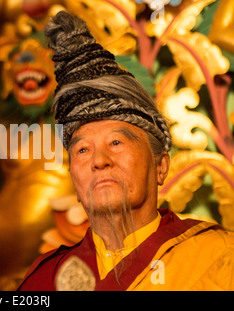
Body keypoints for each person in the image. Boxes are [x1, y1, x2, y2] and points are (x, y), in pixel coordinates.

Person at [17, 11, 234, 291]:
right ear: (73, 177)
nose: (99, 161)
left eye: (116, 143)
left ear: (161, 166)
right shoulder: (45, 280)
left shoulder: (218, 257)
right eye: (82, 150)